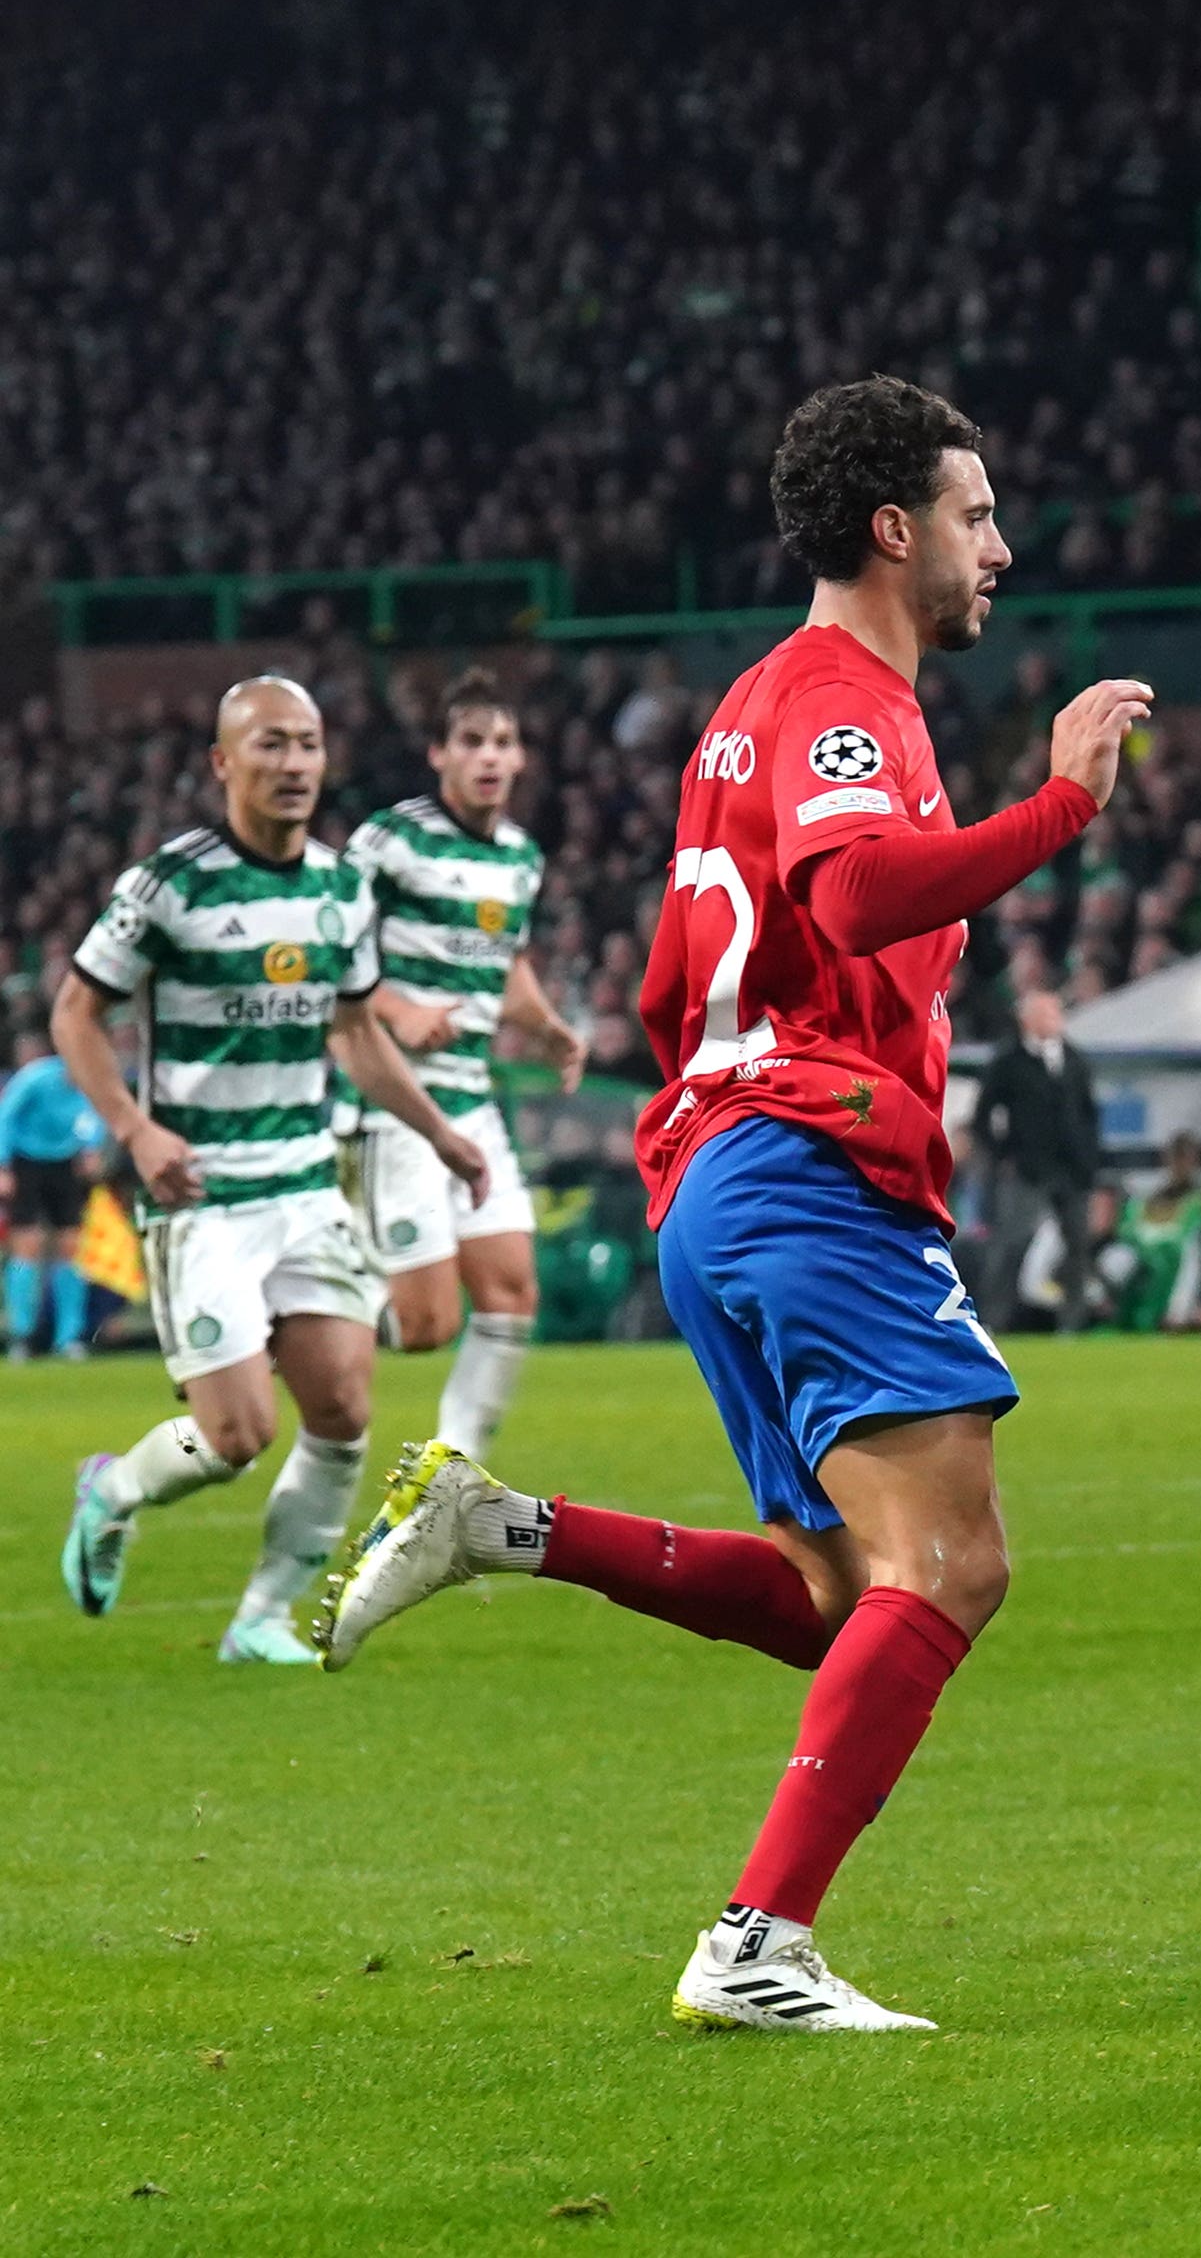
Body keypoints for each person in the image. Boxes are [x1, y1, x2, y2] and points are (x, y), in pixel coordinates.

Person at [319, 375, 1157, 2029]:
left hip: (723, 1174)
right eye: (978, 515)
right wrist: (1057, 804)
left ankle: (510, 1525)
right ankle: (758, 1940)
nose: (1004, 546)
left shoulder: (757, 705)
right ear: (894, 527)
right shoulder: (846, 702)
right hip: (804, 1164)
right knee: (955, 1560)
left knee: (843, 1592)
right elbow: (849, 894)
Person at [52, 676, 492, 1661]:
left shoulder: (343, 890)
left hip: (304, 1185)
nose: (293, 765)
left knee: (342, 1410)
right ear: (223, 763)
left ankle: (261, 1619)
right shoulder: (170, 885)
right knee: (237, 1436)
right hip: (202, 1197)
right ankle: (113, 1489)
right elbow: (74, 1013)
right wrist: (134, 1130)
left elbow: (359, 1034)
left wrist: (441, 1134)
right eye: (270, 746)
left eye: (307, 745)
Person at [343, 666, 585, 1462]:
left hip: (471, 1098)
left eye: (504, 742)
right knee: (425, 1327)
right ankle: (301, 1321)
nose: (490, 756)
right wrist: (399, 1010)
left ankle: (447, 1478)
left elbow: (503, 962)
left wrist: (546, 1027)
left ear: (521, 761)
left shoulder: (519, 857)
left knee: (513, 1289)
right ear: (438, 755)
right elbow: (324, 953)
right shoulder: (390, 839)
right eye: (472, 741)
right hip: (395, 1103)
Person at [974, 989, 1105, 1331]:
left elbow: (1089, 1114)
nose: (1053, 1020)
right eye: (1046, 1013)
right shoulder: (1008, 1061)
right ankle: (993, 1322)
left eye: (1056, 1013)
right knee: (1011, 1244)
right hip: (1027, 1169)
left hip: (1073, 1170)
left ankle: (1072, 1324)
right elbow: (983, 1116)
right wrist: (1003, 1155)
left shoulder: (1075, 1060)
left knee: (1077, 1247)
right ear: (1026, 1019)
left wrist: (1090, 1158)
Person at [4, 1024, 107, 1360]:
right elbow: (4, 1116)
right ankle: (22, 1335)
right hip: (27, 1163)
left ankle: (69, 1337)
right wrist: (3, 1166)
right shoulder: (36, 1078)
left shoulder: (93, 1084)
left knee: (71, 1248)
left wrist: (91, 1150)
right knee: (27, 1247)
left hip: (64, 1165)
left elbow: (95, 1122)